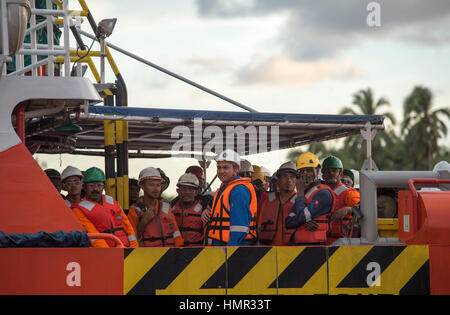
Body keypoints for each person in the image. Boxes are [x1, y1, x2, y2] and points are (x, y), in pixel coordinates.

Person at [72, 167, 139, 248]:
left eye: (99, 185)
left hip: (126, 249)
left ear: (104, 186)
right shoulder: (78, 209)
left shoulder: (112, 201)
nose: (95, 188)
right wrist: (109, 253)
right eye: (91, 185)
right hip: (103, 253)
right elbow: (93, 236)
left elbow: (127, 226)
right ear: (84, 187)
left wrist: (134, 247)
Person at [205, 149, 258, 246]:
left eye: (225, 168)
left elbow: (239, 227)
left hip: (236, 246)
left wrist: (231, 249)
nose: (221, 171)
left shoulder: (239, 190)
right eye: (219, 167)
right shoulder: (224, 188)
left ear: (236, 169)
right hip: (221, 244)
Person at [285, 152, 335, 245]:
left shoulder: (323, 193)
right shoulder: (304, 191)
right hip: (298, 244)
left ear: (318, 170)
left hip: (315, 246)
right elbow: (288, 222)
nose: (305, 174)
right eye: (301, 171)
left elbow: (302, 217)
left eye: (309, 170)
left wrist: (300, 195)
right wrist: (303, 222)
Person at [132, 167, 183, 247]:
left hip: (169, 254)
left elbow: (176, 233)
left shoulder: (166, 207)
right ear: (142, 186)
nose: (156, 189)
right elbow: (132, 239)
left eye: (158, 185)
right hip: (147, 255)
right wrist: (143, 222)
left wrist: (180, 250)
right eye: (151, 185)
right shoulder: (135, 210)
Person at [257, 162, 297, 245]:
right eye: (284, 176)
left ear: (296, 180)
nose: (288, 180)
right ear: (278, 180)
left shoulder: (302, 202)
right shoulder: (268, 201)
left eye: (292, 177)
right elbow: (259, 227)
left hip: (294, 252)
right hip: (268, 252)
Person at [321, 156, 360, 242]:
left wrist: (348, 209)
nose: (331, 173)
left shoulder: (349, 193)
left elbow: (364, 211)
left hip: (343, 243)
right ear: (323, 175)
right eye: (327, 171)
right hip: (321, 242)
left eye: (334, 171)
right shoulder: (318, 192)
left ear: (341, 174)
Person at [171, 173, 210, 247]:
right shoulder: (170, 208)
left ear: (196, 192)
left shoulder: (204, 209)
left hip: (198, 253)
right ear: (178, 191)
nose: (187, 192)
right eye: (184, 189)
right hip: (174, 252)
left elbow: (209, 236)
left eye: (191, 189)